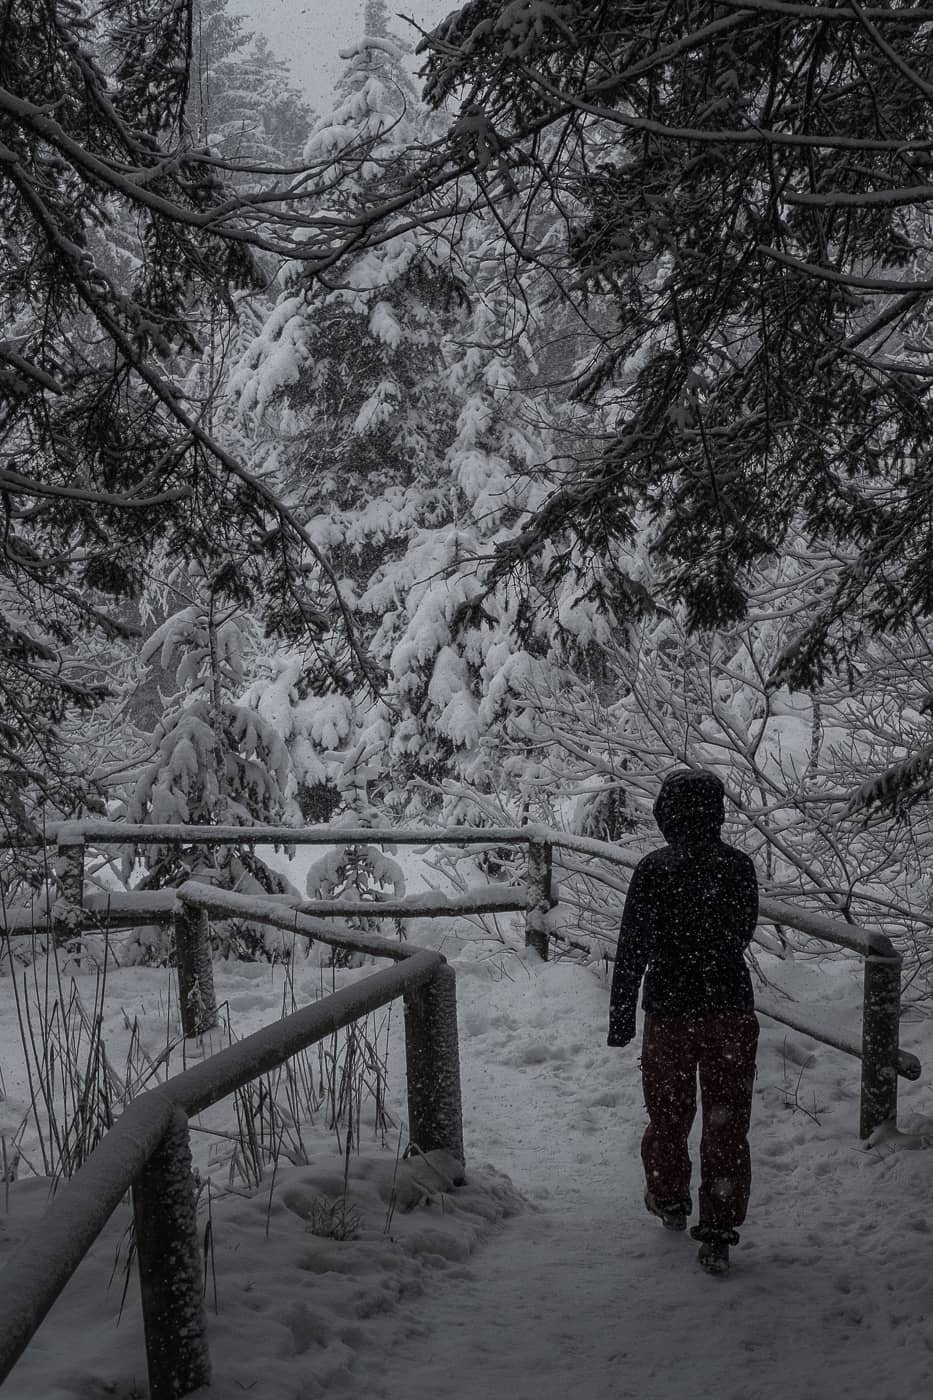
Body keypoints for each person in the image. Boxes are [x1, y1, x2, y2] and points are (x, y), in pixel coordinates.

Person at [607, 768, 759, 1276]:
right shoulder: (738, 867)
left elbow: (632, 949)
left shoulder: (654, 870)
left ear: (667, 814)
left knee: (669, 1114)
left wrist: (621, 1016)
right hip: (730, 1009)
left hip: (671, 1010)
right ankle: (718, 1227)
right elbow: (742, 931)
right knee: (727, 1120)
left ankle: (670, 1198)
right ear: (716, 812)